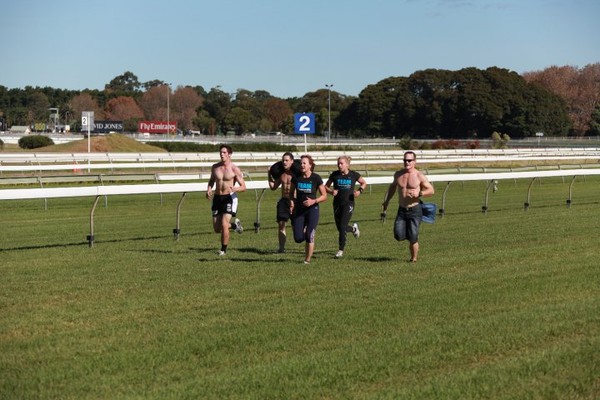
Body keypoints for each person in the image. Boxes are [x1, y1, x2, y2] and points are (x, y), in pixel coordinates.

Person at [381, 151, 434, 263]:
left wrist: (420, 194)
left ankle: (413, 259)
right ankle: (410, 235)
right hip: (402, 210)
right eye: (405, 160)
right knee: (398, 235)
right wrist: (386, 201)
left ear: (414, 161)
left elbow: (431, 190)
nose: (407, 162)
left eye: (409, 160)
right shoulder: (398, 174)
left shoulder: (419, 175)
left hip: (415, 210)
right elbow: (392, 188)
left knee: (413, 237)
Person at [206, 144, 247, 256]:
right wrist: (209, 189)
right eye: (221, 152)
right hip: (217, 198)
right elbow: (211, 180)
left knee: (224, 225)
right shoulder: (215, 167)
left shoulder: (234, 169)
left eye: (224, 152)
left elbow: (244, 187)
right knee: (217, 228)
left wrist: (236, 188)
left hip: (229, 198)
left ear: (229, 154)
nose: (222, 154)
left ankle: (223, 250)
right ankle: (234, 226)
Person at [325, 155, 367, 258]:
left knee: (343, 226)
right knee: (340, 228)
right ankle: (353, 229)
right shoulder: (334, 175)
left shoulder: (353, 175)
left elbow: (363, 183)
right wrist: (331, 191)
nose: (339, 165)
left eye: (341, 163)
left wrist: (359, 191)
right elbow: (325, 186)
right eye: (338, 163)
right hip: (337, 204)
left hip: (349, 203)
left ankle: (340, 250)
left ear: (347, 164)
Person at [290, 155, 327, 264]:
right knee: (298, 238)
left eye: (304, 163)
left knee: (310, 236)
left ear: (310, 165)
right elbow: (291, 194)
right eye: (301, 163)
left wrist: (313, 201)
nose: (302, 165)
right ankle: (304, 229)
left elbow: (324, 196)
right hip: (299, 210)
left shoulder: (316, 178)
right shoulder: (296, 178)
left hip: (312, 210)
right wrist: (292, 203)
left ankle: (307, 260)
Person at [267, 152, 296, 253]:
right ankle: (281, 248)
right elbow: (273, 187)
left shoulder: (296, 174)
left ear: (292, 161)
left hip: (295, 201)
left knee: (296, 226)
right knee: (281, 224)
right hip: (284, 201)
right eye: (283, 160)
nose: (284, 162)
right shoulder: (281, 175)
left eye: (287, 160)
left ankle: (306, 242)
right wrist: (269, 174)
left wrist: (294, 201)